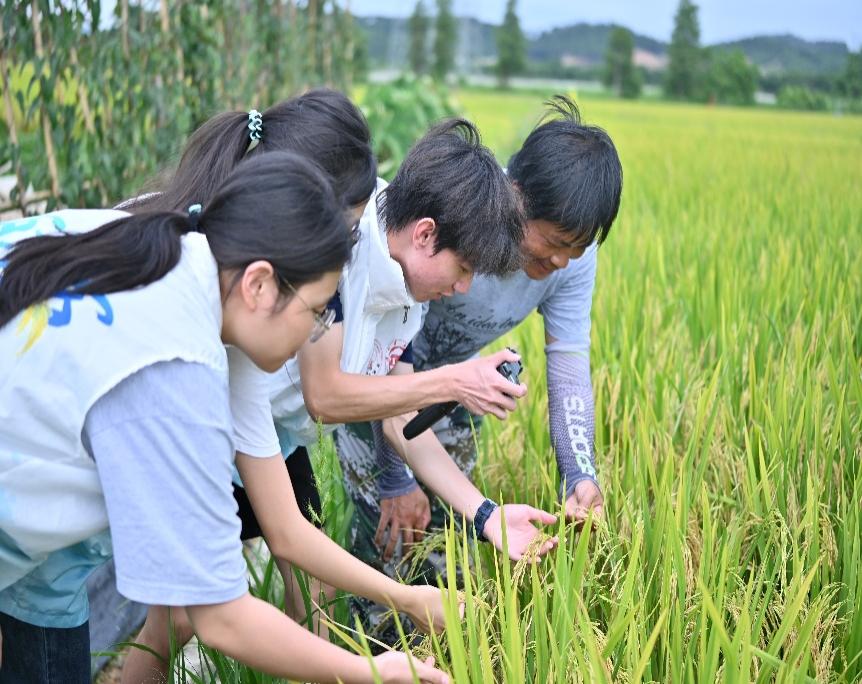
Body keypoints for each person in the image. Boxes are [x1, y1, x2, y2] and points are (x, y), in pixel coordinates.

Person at [0, 152, 449, 684]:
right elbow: (221, 617)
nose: (315, 335)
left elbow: (283, 530)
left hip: (40, 564)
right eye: (316, 310)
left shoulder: (173, 247)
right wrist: (372, 671)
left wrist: (403, 598)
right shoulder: (175, 368)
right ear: (259, 285)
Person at [337, 95, 623, 637]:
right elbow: (384, 360)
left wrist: (580, 475)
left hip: (451, 388)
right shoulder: (459, 219)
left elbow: (568, 367)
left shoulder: (570, 261)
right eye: (555, 242)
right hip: (367, 378)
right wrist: (397, 478)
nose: (561, 261)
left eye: (577, 248)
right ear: (517, 196)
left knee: (458, 545)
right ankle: (367, 655)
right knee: (393, 533)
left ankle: (436, 660)